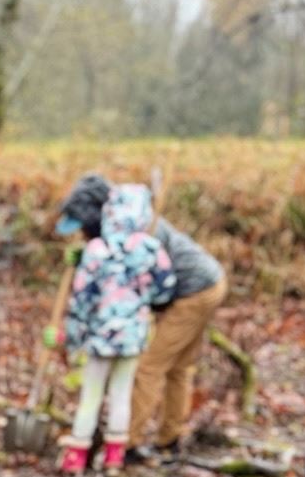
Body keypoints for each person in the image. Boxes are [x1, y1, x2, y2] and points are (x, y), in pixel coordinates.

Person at [56, 172, 227, 459]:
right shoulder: (132, 221)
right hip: (209, 282)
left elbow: (126, 286)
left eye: (84, 227)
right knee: (178, 368)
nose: (82, 233)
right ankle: (169, 439)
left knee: (150, 367)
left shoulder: (142, 235)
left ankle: (129, 445)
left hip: (193, 292)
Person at [58, 184, 174, 475]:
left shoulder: (98, 249)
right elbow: (165, 289)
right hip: (133, 335)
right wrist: (142, 300)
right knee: (122, 394)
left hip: (101, 336)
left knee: (92, 394)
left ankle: (76, 456)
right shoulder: (151, 248)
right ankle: (113, 458)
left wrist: (74, 335)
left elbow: (82, 297)